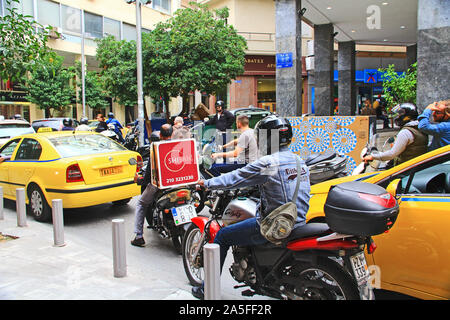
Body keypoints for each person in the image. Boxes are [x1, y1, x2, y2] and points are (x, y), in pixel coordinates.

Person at [191, 115, 311, 299]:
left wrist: (207, 183)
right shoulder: (299, 161)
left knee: (223, 236)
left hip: (276, 225)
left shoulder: (269, 163)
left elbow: (236, 178)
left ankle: (205, 289)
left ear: (268, 138)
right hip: (299, 221)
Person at [131, 124, 173, 247]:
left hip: (160, 185)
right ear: (172, 134)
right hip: (178, 183)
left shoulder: (156, 149)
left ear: (160, 135)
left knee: (141, 203)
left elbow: (150, 174)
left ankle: (138, 236)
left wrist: (139, 181)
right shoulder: (178, 146)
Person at [363, 103, 428, 166]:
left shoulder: (405, 132)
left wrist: (372, 157)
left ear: (406, 116)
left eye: (399, 114)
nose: (397, 117)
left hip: (405, 169)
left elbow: (392, 154)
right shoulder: (420, 128)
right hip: (416, 166)